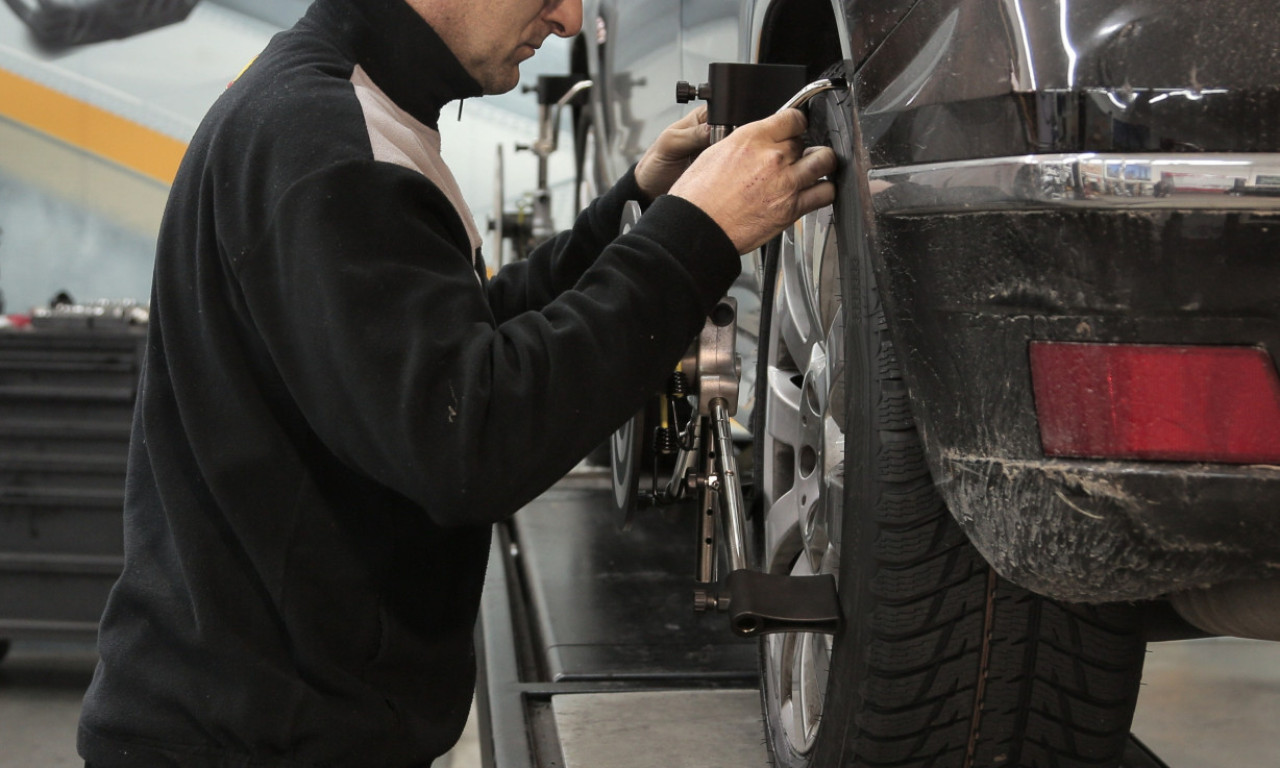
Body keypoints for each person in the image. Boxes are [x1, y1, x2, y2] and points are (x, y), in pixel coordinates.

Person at [76, 0, 836, 765]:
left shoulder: (346, 108)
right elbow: (468, 436)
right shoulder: (324, 144)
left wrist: (637, 211)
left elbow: (457, 341)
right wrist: (694, 239)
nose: (571, 20)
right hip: (250, 745)